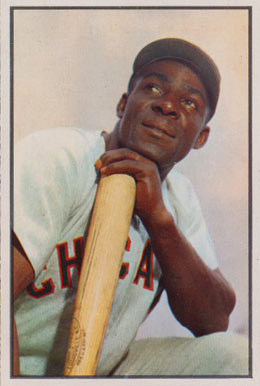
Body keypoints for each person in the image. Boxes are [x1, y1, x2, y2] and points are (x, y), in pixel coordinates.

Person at [13, 38, 248, 376]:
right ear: (123, 104)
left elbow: (213, 320)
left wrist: (158, 218)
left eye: (189, 103)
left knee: (238, 359)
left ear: (201, 138)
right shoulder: (58, 157)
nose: (168, 106)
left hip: (104, 369)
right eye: (153, 88)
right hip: (21, 367)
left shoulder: (177, 197)